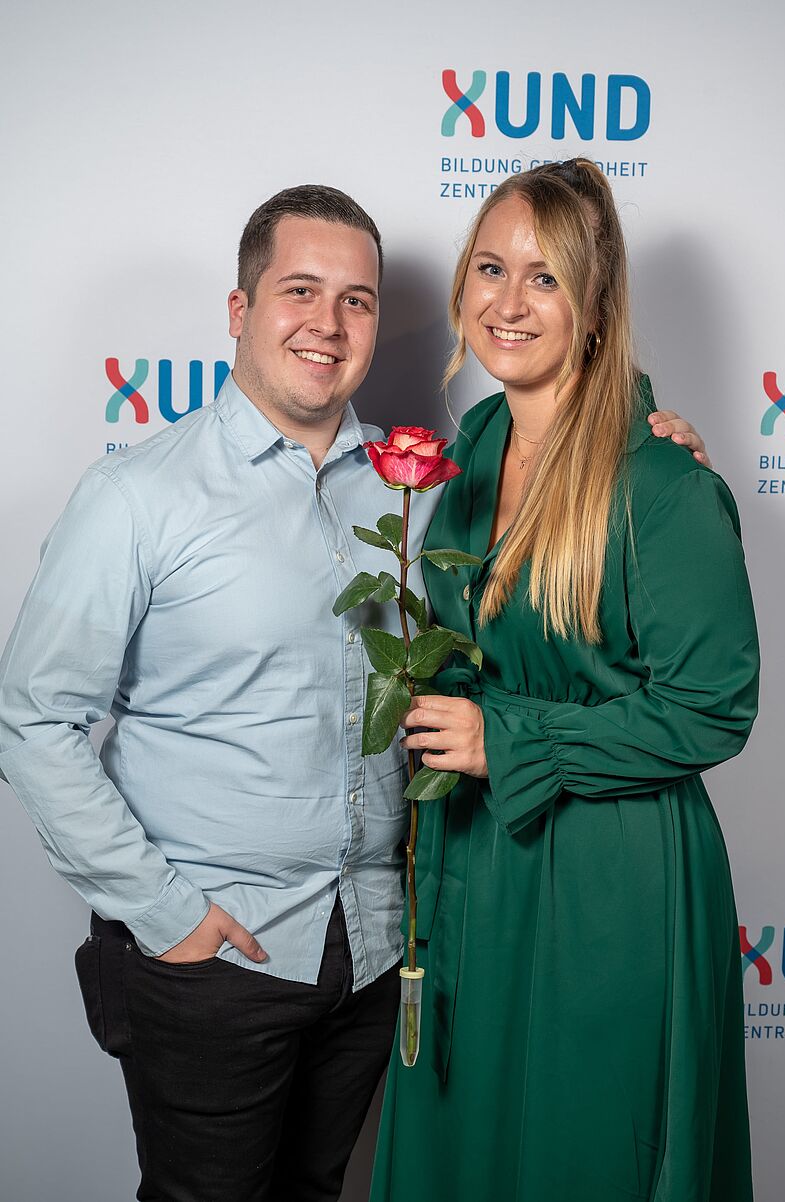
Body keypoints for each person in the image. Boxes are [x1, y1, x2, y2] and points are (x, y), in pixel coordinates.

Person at [0, 182, 708, 1202]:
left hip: (375, 954)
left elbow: (562, 470)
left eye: (357, 300)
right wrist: (167, 915)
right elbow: (33, 719)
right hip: (216, 955)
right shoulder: (136, 497)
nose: (327, 323)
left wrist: (653, 442)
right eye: (299, 291)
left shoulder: (420, 487)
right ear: (240, 310)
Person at [370, 159, 758, 1202]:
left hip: (607, 876)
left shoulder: (661, 483)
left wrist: (510, 741)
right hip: (475, 864)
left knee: (581, 1149)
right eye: (491, 268)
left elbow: (711, 708)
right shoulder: (469, 452)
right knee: (472, 1144)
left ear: (594, 305)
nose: (508, 301)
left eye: (544, 277)